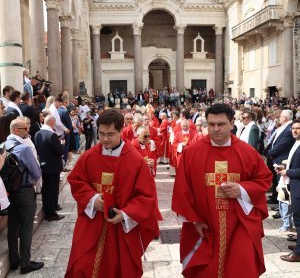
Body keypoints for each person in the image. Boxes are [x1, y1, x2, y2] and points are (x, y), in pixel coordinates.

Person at [172, 104, 272, 278]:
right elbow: (182, 190)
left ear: (232, 123)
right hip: (205, 222)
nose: (216, 129)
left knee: (239, 267)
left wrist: (242, 189)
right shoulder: (192, 153)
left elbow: (264, 179)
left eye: (221, 124)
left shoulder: (247, 152)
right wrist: (194, 221)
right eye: (211, 124)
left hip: (239, 223)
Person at [66, 109, 160, 277]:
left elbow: (147, 196)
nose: (104, 139)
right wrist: (92, 198)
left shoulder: (135, 161)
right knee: (82, 265)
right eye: (101, 134)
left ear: (121, 130)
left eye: (110, 134)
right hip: (91, 224)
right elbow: (76, 181)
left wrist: (125, 214)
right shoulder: (89, 157)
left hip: (119, 229)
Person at [5, 119, 44, 274]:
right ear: (16, 130)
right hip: (25, 191)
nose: (28, 129)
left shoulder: (2, 146)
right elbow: (36, 172)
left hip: (9, 192)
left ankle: (14, 260)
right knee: (27, 226)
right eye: (25, 128)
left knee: (12, 225)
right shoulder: (23, 149)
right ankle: (25, 263)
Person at [34, 115, 65, 221]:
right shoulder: (52, 135)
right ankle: (51, 213)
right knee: (52, 189)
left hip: (43, 164)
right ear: (52, 123)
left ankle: (48, 209)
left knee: (46, 189)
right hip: (53, 166)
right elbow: (59, 151)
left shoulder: (37, 133)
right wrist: (62, 144)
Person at [279, 119, 300, 262]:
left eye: (298, 128)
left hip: (299, 188)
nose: (295, 130)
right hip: (294, 186)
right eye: (293, 128)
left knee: (299, 221)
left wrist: (288, 172)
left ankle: (298, 253)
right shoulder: (296, 143)